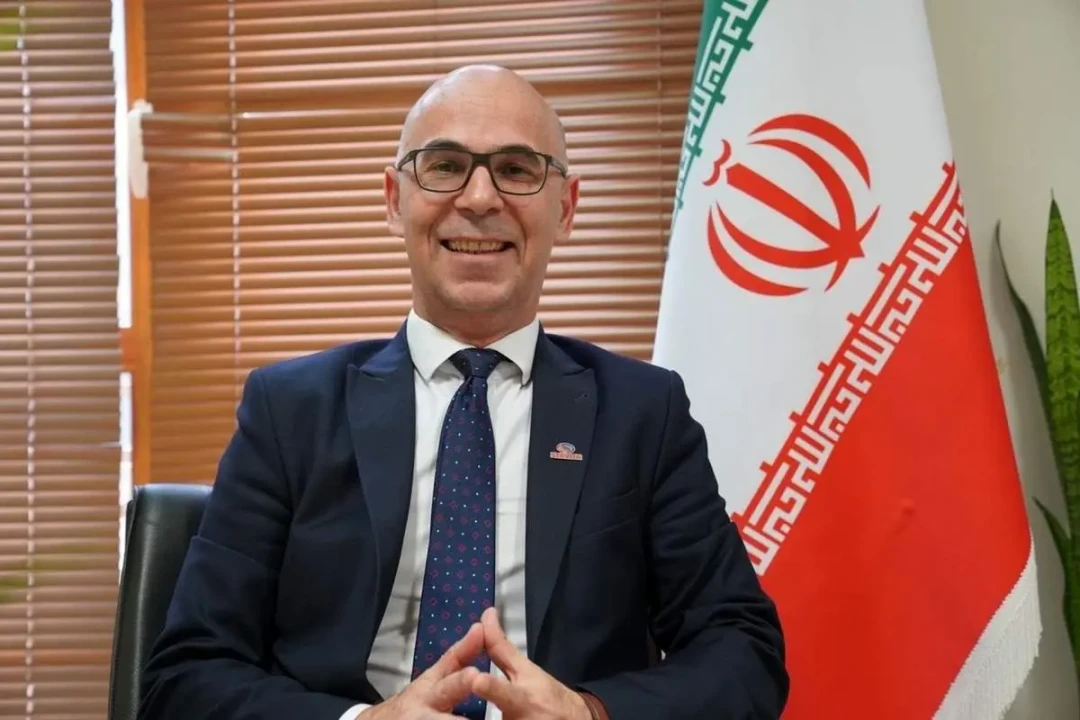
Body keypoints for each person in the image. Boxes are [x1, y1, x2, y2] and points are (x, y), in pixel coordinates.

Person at [138, 64, 788, 720]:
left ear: (566, 208)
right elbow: (187, 674)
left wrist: (590, 713)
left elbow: (743, 653)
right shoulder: (289, 410)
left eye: (516, 169)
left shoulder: (644, 413)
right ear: (394, 200)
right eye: (445, 166)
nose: (479, 198)